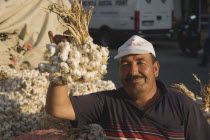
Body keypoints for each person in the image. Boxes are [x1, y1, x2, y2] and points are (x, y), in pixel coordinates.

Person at [46, 35, 210, 139]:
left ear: (155, 69)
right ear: (119, 71)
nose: (133, 71)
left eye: (140, 62)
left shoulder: (182, 105)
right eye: (125, 64)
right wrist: (62, 62)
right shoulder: (106, 102)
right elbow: (58, 108)